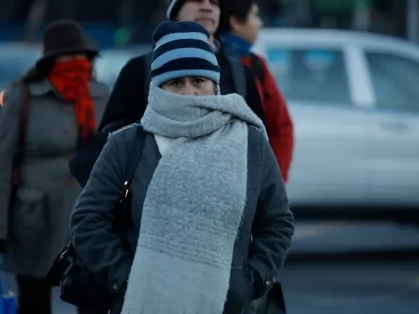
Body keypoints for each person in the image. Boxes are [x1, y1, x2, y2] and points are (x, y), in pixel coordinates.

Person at [71, 21, 294, 314]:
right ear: (158, 88)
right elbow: (88, 219)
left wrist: (249, 280)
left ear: (214, 84)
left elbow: (277, 222)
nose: (190, 93)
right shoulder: (129, 144)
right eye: (176, 83)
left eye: (199, 81)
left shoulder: (249, 143)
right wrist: (127, 279)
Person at [0, 20, 109, 314]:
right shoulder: (23, 96)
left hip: (86, 214)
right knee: (34, 302)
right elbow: (0, 162)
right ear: (52, 60)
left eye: (81, 56)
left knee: (92, 299)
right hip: (34, 216)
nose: (76, 63)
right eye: (68, 56)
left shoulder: (100, 95)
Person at [68, 0, 269, 187]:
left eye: (214, 2)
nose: (207, 7)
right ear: (175, 12)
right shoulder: (140, 69)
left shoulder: (241, 73)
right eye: (196, 0)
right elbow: (111, 140)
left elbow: (259, 149)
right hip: (151, 200)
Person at [218, 0, 294, 182]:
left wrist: (274, 182)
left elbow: (281, 126)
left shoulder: (256, 65)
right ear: (236, 21)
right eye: (254, 15)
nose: (259, 23)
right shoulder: (204, 64)